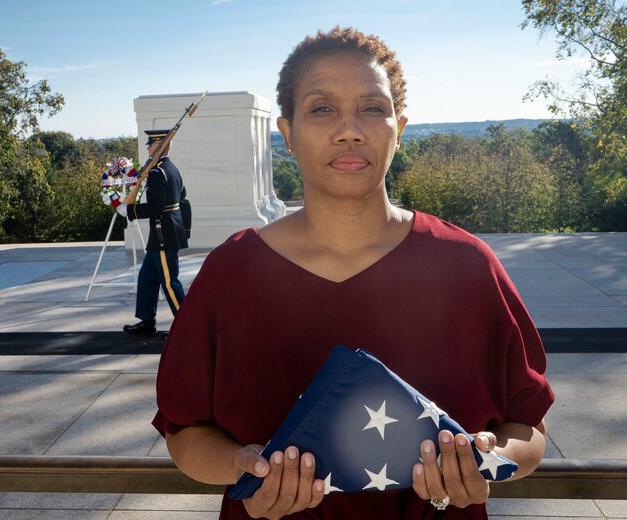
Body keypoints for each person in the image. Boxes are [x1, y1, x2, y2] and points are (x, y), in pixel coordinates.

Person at [152, 27, 554, 519]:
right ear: (288, 133)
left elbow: (529, 429)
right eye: (322, 108)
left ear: (399, 129)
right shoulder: (231, 273)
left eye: (372, 107)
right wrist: (241, 465)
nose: (349, 129)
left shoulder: (466, 264)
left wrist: (488, 463)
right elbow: (185, 434)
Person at [118, 130, 188, 338]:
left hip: (163, 234)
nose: (147, 148)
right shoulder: (170, 168)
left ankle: (187, 325)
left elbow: (156, 208)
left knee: (169, 281)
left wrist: (130, 211)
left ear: (160, 146)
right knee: (147, 277)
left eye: (151, 145)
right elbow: (181, 195)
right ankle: (147, 321)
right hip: (163, 232)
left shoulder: (158, 172)